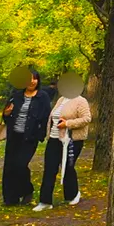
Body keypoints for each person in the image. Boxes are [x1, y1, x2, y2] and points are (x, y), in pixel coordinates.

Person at [34, 77, 91, 211]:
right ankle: (45, 201)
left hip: (71, 140)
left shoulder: (80, 101)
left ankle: (73, 194)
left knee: (68, 167)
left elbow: (87, 118)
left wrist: (68, 124)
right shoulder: (61, 100)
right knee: (50, 169)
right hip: (54, 139)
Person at [1, 70, 51, 206]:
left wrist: (41, 134)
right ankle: (11, 199)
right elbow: (6, 116)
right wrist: (6, 114)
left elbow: (47, 117)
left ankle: (27, 190)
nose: (32, 81)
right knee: (10, 167)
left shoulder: (43, 97)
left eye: (35, 79)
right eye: (29, 79)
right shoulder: (16, 96)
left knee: (20, 165)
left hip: (30, 137)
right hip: (14, 135)